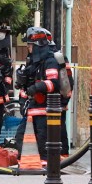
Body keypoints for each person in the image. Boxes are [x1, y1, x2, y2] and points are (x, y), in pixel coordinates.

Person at [18, 27, 61, 166]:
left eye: (30, 45)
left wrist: (36, 87)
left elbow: (53, 83)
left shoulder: (50, 61)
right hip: (33, 110)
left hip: (45, 111)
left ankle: (45, 167)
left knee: (43, 141)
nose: (28, 48)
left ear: (38, 45)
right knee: (20, 137)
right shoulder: (34, 63)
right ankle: (28, 164)